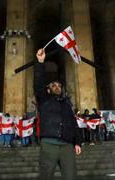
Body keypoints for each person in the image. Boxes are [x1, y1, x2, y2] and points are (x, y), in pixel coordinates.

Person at [34, 48, 81, 180]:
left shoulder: (67, 104)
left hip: (67, 146)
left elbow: (73, 123)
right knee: (45, 176)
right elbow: (38, 84)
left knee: (71, 177)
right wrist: (40, 63)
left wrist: (77, 142)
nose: (57, 87)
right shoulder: (44, 100)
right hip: (49, 144)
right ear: (48, 89)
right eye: (53, 85)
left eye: (59, 85)